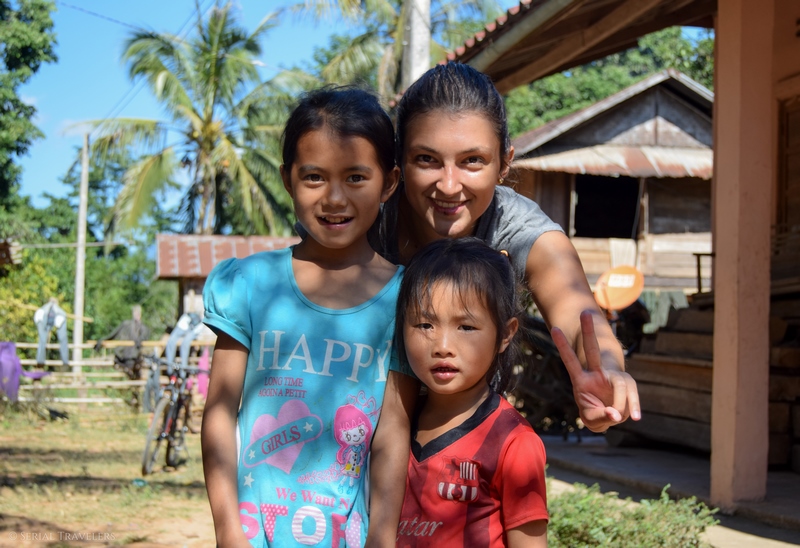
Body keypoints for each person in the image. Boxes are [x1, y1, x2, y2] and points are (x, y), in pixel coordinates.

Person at [201, 86, 414, 547]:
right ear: (287, 178)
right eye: (314, 177)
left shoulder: (405, 299)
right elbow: (220, 412)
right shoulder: (251, 284)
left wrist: (382, 536)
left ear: (390, 182)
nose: (334, 197)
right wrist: (227, 532)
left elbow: (392, 431)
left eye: (356, 177)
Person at [381, 62, 640, 433]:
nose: (450, 185)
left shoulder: (518, 226)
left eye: (473, 161)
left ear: (504, 163)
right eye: (427, 159)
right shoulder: (371, 220)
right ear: (400, 163)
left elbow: (578, 312)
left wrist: (609, 374)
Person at [395, 238, 547, 547]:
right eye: (425, 324)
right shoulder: (390, 420)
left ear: (506, 334)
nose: (443, 347)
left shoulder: (513, 442)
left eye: (465, 327)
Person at [94, 304, 150, 379]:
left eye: (138, 313)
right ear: (133, 313)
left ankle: (131, 373)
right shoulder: (127, 324)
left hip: (134, 355)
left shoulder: (142, 327)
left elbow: (144, 336)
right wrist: (103, 340)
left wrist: (139, 341)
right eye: (135, 313)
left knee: (134, 359)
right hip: (124, 353)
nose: (136, 315)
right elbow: (113, 334)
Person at [33, 298, 69, 367]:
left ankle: (40, 360)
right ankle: (65, 361)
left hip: (45, 320)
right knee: (44, 340)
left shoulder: (54, 311)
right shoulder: (56, 312)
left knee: (42, 340)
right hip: (43, 320)